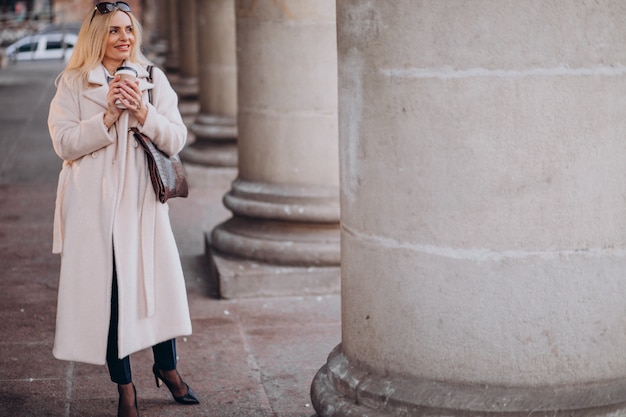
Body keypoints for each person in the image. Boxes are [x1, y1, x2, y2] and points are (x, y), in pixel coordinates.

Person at [47, 3, 199, 416]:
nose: (124, 38)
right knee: (111, 297)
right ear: (98, 35)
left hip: (142, 206)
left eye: (128, 30)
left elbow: (176, 139)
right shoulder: (75, 83)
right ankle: (125, 388)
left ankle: (167, 369)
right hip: (93, 209)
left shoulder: (153, 79)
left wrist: (143, 112)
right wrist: (110, 115)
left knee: (156, 287)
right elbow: (63, 143)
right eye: (114, 31)